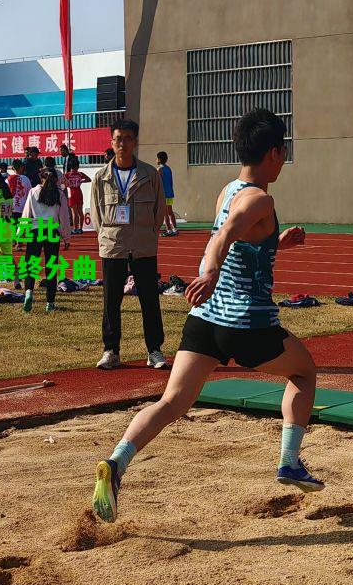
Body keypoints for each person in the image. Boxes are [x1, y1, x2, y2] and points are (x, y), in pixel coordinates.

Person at [92, 109, 320, 520]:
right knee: (303, 371)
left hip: (206, 321)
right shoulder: (259, 197)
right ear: (274, 153)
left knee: (172, 400)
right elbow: (226, 235)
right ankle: (289, 461)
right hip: (247, 324)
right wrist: (210, 273)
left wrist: (275, 243)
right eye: (283, 152)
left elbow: (241, 239)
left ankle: (116, 463)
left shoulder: (228, 189)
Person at [90, 119, 169, 371]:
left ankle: (154, 350)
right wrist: (108, 236)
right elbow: (97, 214)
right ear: (111, 142)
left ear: (135, 142)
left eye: (127, 138)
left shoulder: (150, 175)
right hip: (114, 246)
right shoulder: (101, 178)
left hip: (144, 246)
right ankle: (111, 351)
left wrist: (149, 233)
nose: (122, 143)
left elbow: (159, 210)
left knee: (149, 299)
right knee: (111, 301)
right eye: (118, 138)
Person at [21, 163, 75, 313]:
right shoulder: (60, 194)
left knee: (31, 265)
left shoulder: (33, 192)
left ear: (41, 178)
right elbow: (64, 218)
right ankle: (50, 303)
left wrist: (20, 233)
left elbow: (26, 214)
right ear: (57, 179)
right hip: (52, 231)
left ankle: (29, 292)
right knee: (51, 268)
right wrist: (67, 238)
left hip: (35, 231)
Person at [156, 150, 180, 235]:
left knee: (165, 213)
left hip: (164, 194)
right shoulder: (168, 168)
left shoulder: (159, 169)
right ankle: (175, 229)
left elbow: (157, 182)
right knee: (170, 212)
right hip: (170, 193)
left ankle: (169, 230)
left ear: (159, 159)